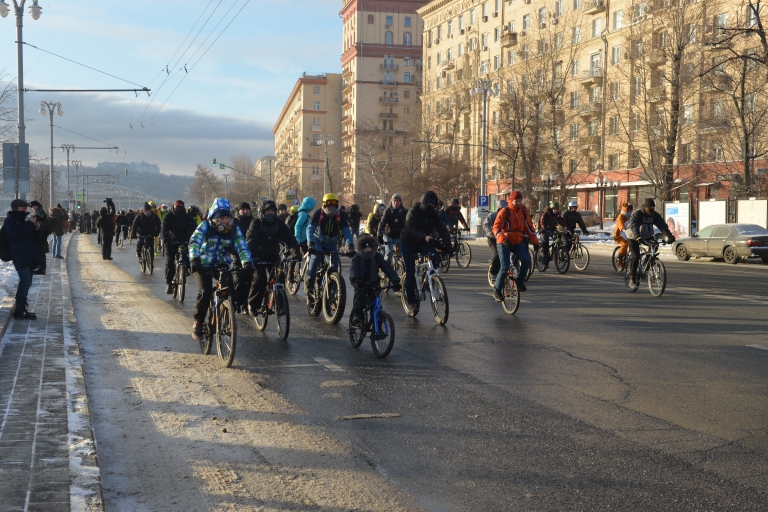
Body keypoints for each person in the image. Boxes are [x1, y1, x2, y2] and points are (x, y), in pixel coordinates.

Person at [188, 198, 252, 340]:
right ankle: (198, 322)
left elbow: (242, 246)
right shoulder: (205, 226)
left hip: (222, 264)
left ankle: (229, 318)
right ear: (215, 217)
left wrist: (247, 262)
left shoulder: (234, 228)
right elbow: (194, 242)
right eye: (222, 218)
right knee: (205, 291)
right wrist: (194, 259)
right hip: (203, 264)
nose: (226, 221)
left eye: (228, 217)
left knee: (231, 291)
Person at [400, 190, 454, 315]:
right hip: (408, 242)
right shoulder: (414, 211)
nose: (431, 206)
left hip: (423, 242)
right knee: (410, 272)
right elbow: (410, 228)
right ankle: (412, 302)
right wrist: (423, 236)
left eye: (433, 204)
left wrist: (449, 247)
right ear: (424, 202)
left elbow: (442, 230)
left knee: (435, 256)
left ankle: (429, 279)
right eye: (428, 203)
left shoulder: (434, 214)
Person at [246, 200, 299, 315]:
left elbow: (290, 239)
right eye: (267, 211)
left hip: (273, 255)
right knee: (260, 278)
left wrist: (296, 253)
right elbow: (251, 240)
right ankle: (252, 304)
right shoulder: (256, 223)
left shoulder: (279, 223)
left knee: (279, 277)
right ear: (263, 212)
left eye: (272, 211)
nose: (270, 213)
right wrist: (253, 256)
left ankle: (280, 304)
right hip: (257, 256)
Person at [305, 193, 354, 302]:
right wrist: (311, 243)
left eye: (334, 205)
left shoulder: (341, 214)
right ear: (324, 205)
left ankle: (335, 289)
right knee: (316, 256)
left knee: (334, 263)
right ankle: (310, 281)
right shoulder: (318, 213)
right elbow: (310, 228)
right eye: (329, 205)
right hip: (318, 240)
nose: (331, 207)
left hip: (331, 242)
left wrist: (350, 246)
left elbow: (346, 231)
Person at [493, 191, 538, 300]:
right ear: (511, 200)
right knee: (505, 266)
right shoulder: (505, 211)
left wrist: (536, 242)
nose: (518, 202)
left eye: (519, 200)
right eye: (516, 200)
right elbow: (496, 228)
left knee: (527, 260)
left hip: (518, 242)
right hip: (504, 242)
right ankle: (497, 290)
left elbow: (529, 228)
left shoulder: (523, 212)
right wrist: (504, 239)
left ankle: (519, 281)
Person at [349, 234, 401, 327]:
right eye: (365, 247)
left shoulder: (377, 257)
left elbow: (387, 268)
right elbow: (353, 269)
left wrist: (396, 281)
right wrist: (356, 279)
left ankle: (378, 327)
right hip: (361, 283)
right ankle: (358, 317)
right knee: (359, 298)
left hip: (374, 283)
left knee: (376, 306)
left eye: (370, 247)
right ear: (361, 248)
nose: (368, 249)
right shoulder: (357, 258)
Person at [3, 199, 40, 319]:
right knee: (26, 281)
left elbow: (32, 237)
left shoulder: (25, 219)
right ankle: (19, 311)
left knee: (27, 281)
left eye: (26, 208)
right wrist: (29, 224)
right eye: (23, 208)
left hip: (29, 255)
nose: (25, 210)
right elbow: (16, 234)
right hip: (19, 255)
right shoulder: (10, 221)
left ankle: (21, 309)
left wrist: (36, 227)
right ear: (16, 208)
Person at [626, 198, 675, 284]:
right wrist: (637, 236)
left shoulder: (654, 215)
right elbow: (634, 226)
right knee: (636, 257)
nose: (652, 209)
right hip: (633, 237)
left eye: (653, 207)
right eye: (650, 207)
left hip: (646, 235)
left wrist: (669, 235)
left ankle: (647, 264)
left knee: (655, 245)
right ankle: (632, 277)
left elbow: (662, 225)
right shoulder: (638, 214)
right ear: (645, 207)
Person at [162, 200, 197, 294]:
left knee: (189, 257)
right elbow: (164, 228)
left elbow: (194, 229)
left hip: (184, 240)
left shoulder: (187, 217)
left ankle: (184, 269)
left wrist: (194, 238)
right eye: (178, 207)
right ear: (174, 207)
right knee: (170, 262)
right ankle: (169, 283)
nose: (179, 209)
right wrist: (165, 238)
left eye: (181, 207)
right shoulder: (169, 216)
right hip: (171, 241)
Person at [377, 193, 407, 264]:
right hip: (388, 235)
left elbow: (408, 224)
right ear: (392, 201)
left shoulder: (405, 211)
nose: (396, 203)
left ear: (401, 202)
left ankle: (400, 267)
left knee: (400, 254)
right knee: (389, 251)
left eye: (398, 201)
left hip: (399, 235)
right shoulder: (387, 211)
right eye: (395, 201)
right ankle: (385, 269)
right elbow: (382, 223)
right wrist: (379, 234)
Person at [538, 201, 568, 269]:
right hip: (544, 230)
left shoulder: (557, 214)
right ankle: (544, 261)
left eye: (557, 209)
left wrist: (565, 226)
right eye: (554, 209)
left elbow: (561, 220)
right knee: (545, 244)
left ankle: (557, 251)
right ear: (551, 209)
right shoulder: (546, 214)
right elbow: (542, 222)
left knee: (558, 237)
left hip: (552, 229)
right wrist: (545, 229)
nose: (556, 211)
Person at [483, 199, 508, 282]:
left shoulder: (508, 216)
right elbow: (486, 225)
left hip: (503, 237)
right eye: (501, 209)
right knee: (497, 253)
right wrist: (492, 234)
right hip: (492, 238)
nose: (503, 211)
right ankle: (493, 272)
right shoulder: (492, 215)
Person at [28, 201, 50, 275]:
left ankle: (42, 269)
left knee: (41, 252)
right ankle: (41, 268)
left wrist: (37, 218)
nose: (32, 208)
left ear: (35, 206)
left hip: (41, 235)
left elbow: (42, 218)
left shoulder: (40, 211)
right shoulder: (39, 211)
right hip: (41, 234)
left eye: (32, 207)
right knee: (40, 252)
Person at [613, 203, 633, 270]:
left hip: (628, 233)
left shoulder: (630, 216)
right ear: (625, 209)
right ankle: (620, 257)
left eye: (631, 209)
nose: (630, 211)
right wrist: (623, 228)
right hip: (620, 234)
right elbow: (620, 223)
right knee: (625, 244)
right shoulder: (621, 216)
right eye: (629, 209)